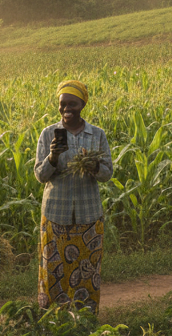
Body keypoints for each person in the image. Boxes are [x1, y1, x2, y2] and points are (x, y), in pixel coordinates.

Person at [34, 80, 113, 312]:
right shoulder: (48, 134)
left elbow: (107, 173)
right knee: (54, 271)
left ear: (82, 105)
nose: (67, 108)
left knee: (86, 270)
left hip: (88, 217)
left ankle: (85, 320)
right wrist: (52, 158)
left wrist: (93, 165)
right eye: (62, 104)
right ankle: (55, 321)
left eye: (72, 104)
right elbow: (40, 175)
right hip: (56, 216)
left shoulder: (96, 134)